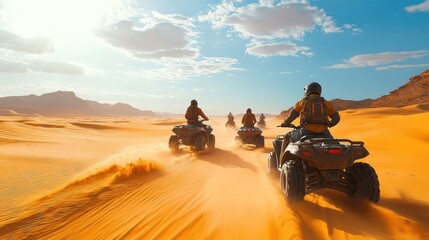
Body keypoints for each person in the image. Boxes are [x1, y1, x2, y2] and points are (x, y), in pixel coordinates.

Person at [280, 82, 340, 156]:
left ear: (307, 91)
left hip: (305, 132)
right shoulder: (325, 103)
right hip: (324, 132)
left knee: (286, 136)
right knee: (333, 144)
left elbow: (292, 115)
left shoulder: (302, 101)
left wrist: (285, 123)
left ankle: (281, 160)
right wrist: (329, 124)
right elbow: (336, 118)